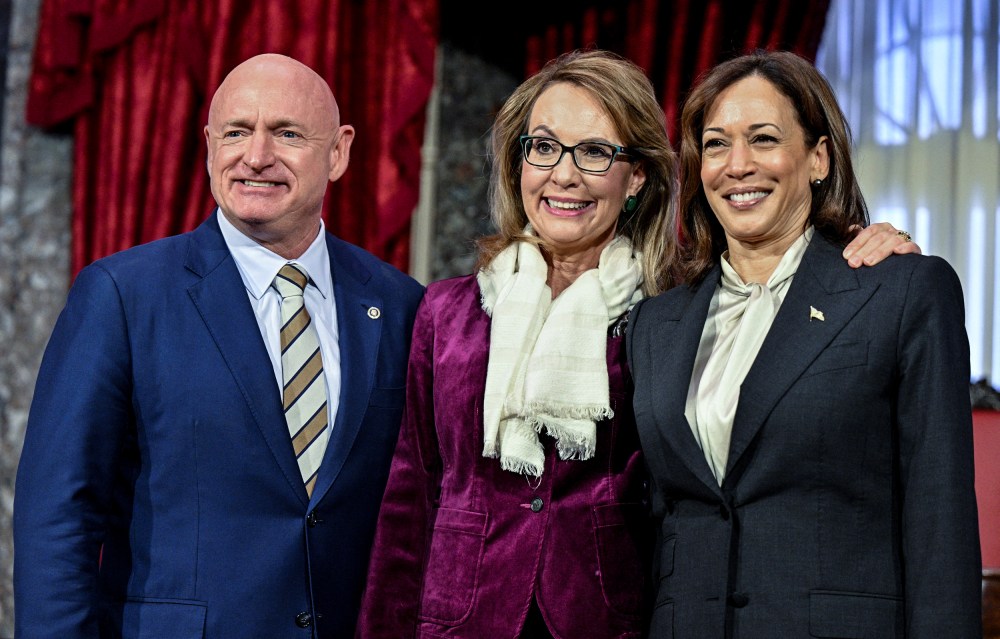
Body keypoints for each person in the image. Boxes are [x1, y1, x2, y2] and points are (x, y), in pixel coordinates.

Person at [355, 49, 916, 639]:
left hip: (610, 617)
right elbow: (409, 494)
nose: (563, 175)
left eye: (595, 153)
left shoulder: (679, 308)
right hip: (459, 618)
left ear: (638, 177)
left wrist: (854, 244)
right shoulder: (446, 311)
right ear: (517, 162)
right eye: (543, 147)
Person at [13, 53, 424, 639]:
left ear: (338, 152)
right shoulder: (122, 296)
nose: (256, 157)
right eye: (236, 132)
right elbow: (58, 516)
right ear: (208, 144)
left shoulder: (400, 305)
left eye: (286, 133)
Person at [626, 49, 981, 638]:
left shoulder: (902, 291)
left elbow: (938, 519)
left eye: (763, 139)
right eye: (716, 144)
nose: (737, 165)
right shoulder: (653, 324)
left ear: (817, 158)